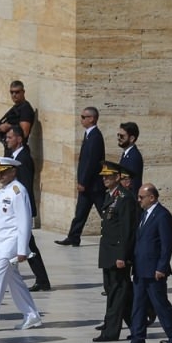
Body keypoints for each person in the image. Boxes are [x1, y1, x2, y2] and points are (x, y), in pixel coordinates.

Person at [120, 183, 172, 343]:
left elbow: (166, 245)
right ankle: (137, 339)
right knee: (138, 307)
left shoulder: (162, 215)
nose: (139, 200)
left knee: (161, 306)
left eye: (141, 197)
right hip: (140, 269)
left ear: (152, 197)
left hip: (154, 271)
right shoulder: (144, 214)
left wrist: (161, 267)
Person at [0, 157, 43, 331]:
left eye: (3, 173)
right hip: (0, 243)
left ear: (13, 171)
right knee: (14, 281)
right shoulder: (1, 192)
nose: (0, 176)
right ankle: (31, 315)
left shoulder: (18, 191)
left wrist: (22, 249)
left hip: (11, 244)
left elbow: (24, 221)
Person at [93, 161, 137, 342]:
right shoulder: (110, 195)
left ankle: (110, 331)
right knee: (117, 292)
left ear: (117, 177)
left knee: (117, 294)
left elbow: (127, 230)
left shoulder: (125, 198)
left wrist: (122, 256)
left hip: (117, 255)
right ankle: (137, 325)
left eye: (108, 176)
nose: (105, 179)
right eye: (103, 176)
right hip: (108, 253)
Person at [4, 125, 51, 291]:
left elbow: (24, 187)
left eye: (10, 137)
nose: (7, 140)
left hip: (22, 209)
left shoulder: (23, 159)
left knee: (28, 244)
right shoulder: (14, 156)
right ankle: (42, 280)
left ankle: (42, 280)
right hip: (18, 209)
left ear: (19, 139)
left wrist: (23, 210)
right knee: (27, 244)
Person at [56, 106, 105, 247]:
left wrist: (83, 182)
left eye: (84, 117)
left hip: (93, 185)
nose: (81, 120)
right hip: (88, 186)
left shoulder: (95, 136)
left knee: (104, 212)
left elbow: (91, 162)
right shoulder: (89, 134)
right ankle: (73, 237)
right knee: (80, 213)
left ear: (92, 119)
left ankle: (118, 234)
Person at [117, 122, 144, 187]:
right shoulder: (126, 154)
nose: (119, 138)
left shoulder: (134, 156)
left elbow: (134, 183)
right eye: (118, 135)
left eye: (122, 136)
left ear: (132, 138)